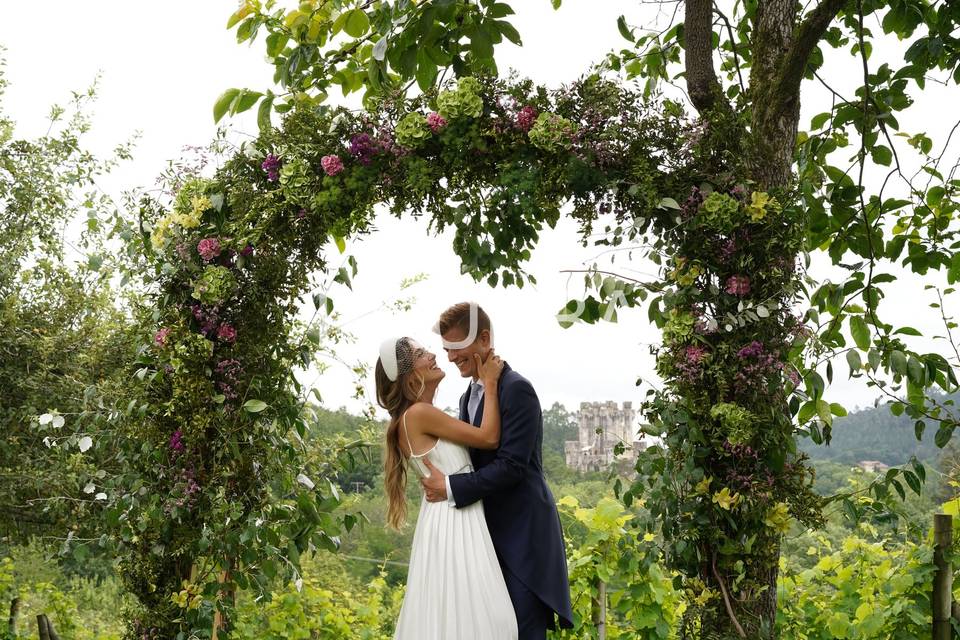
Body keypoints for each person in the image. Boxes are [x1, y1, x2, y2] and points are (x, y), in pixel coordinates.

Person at [420, 302, 574, 639]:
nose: (450, 357)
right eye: (446, 349)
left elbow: (513, 467)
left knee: (522, 631)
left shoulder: (517, 388)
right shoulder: (467, 397)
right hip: (487, 538)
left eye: (457, 347)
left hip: (523, 538)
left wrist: (449, 487)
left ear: (484, 339)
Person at [375, 334, 518, 639]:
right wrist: (490, 383)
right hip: (455, 521)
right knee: (482, 617)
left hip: (449, 516)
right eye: (422, 354)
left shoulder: (416, 416)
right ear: (410, 374)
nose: (432, 355)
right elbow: (490, 438)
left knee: (464, 616)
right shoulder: (419, 414)